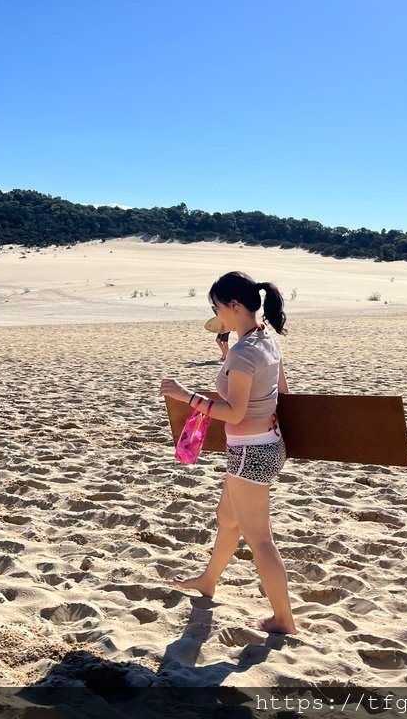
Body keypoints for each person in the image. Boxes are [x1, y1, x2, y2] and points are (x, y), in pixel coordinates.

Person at [160, 271, 295, 634]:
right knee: (228, 517)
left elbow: (233, 413)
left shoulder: (243, 352)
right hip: (267, 445)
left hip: (251, 452)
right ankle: (208, 580)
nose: (215, 312)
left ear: (233, 306)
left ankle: (283, 619)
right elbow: (281, 390)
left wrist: (184, 395)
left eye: (216, 306)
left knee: (260, 539)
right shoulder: (265, 338)